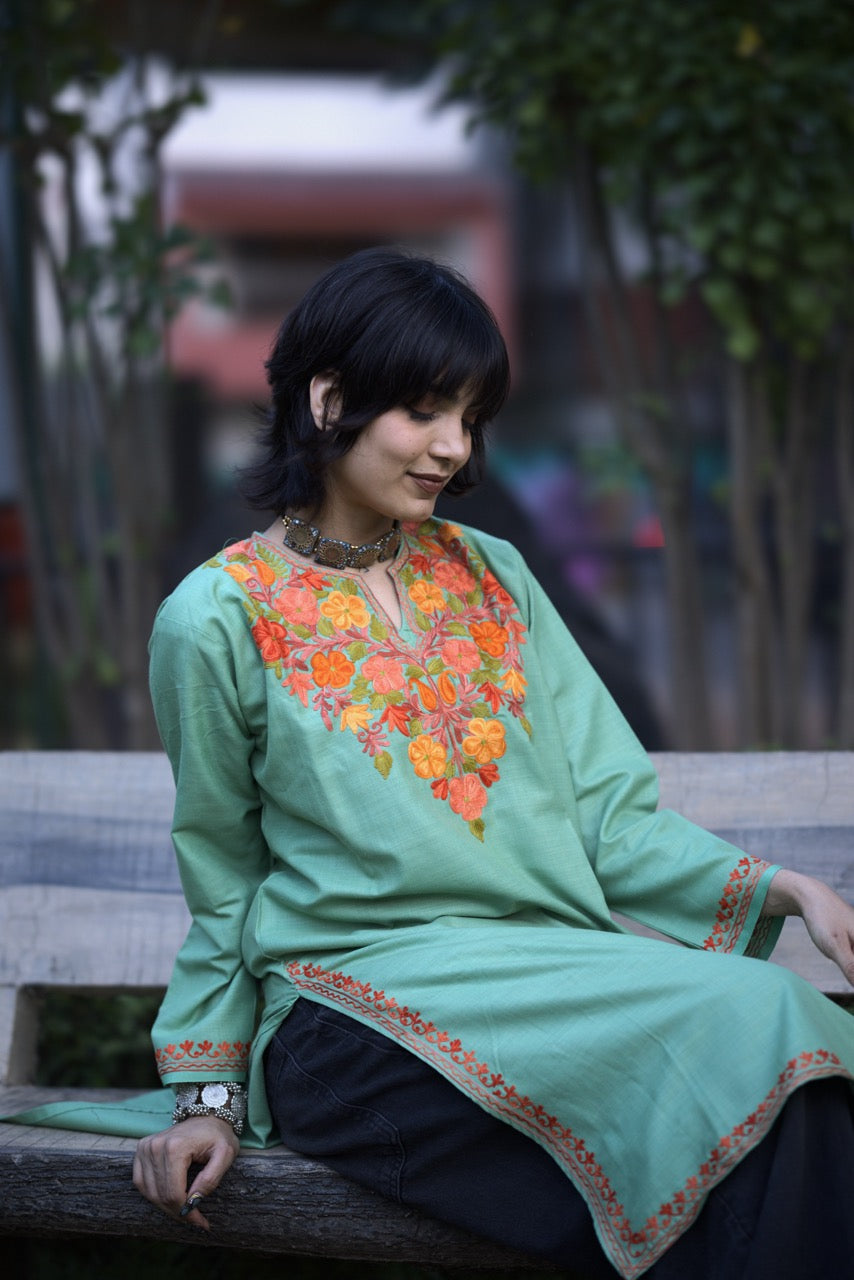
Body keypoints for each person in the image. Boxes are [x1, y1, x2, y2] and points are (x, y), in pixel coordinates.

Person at [133, 248, 854, 1280]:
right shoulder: (215, 616)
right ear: (329, 396)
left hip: (546, 978)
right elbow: (221, 870)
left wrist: (786, 887)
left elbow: (605, 811)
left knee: (782, 1045)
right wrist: (207, 1099)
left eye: (467, 416)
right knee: (754, 1032)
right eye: (425, 409)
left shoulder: (493, 572)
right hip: (348, 1007)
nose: (450, 446)